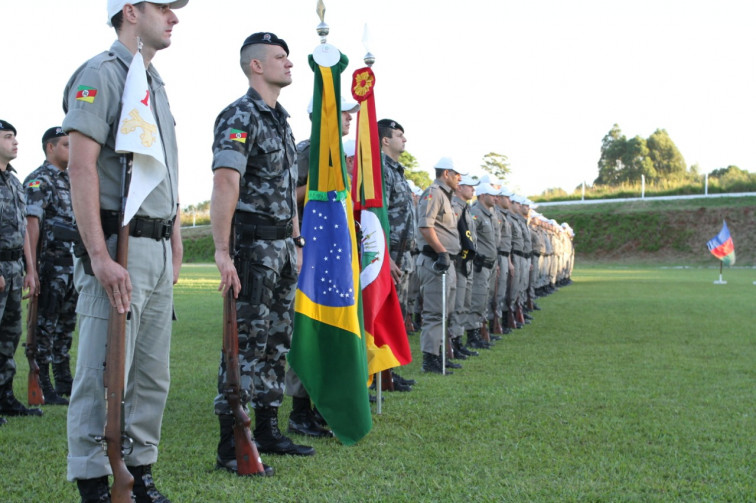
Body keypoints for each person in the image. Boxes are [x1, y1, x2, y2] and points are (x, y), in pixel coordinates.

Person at [62, 1, 187, 501]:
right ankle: (94, 478)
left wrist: (176, 237)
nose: (173, 17)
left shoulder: (153, 83)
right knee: (102, 369)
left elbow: (163, 174)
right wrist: (98, 255)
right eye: (163, 7)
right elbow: (81, 168)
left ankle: (140, 470)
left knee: (151, 372)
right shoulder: (101, 73)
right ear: (130, 11)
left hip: (155, 246)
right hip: (120, 244)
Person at [210, 31, 314, 475]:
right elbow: (225, 183)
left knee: (276, 341)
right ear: (256, 65)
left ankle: (268, 428)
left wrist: (295, 238)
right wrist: (220, 250)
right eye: (279, 57)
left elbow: (288, 190)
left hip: (282, 247)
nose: (288, 63)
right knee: (245, 344)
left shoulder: (281, 120)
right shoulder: (239, 115)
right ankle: (231, 442)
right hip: (252, 247)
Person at [286, 95, 359, 438]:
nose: (349, 119)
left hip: (332, 253)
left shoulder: (337, 156)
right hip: (310, 250)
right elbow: (289, 195)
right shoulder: (308, 150)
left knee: (329, 321)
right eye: (344, 113)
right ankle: (299, 411)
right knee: (308, 322)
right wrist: (320, 188)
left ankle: (317, 406)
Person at [23, 127, 77, 406]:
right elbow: (31, 226)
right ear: (50, 148)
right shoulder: (38, 181)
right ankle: (42, 382)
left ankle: (63, 379)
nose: (73, 149)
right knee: (44, 327)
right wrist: (31, 269)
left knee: (66, 327)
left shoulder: (73, 180)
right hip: (50, 265)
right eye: (67, 145)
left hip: (73, 266)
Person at [0, 119, 41, 426]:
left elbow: (25, 230)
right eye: (8, 137)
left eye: (15, 136)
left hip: (15, 268)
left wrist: (30, 269)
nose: (15, 142)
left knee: (10, 335)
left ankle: (4, 398)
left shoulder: (14, 182)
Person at [377, 118, 416, 388]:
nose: (405, 140)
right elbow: (378, 214)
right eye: (399, 135)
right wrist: (385, 257)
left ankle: (389, 369)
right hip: (389, 254)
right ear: (385, 140)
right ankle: (380, 371)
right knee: (383, 315)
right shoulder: (381, 169)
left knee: (397, 313)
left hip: (403, 254)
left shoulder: (397, 171)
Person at [416, 157, 464, 374]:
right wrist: (442, 251)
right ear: (446, 173)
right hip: (436, 261)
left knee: (445, 311)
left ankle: (440, 354)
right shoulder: (434, 193)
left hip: (447, 261)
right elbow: (426, 226)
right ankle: (431, 359)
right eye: (457, 174)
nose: (459, 178)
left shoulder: (447, 196)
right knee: (435, 312)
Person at [448, 175, 478, 360]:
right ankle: (452, 342)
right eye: (469, 186)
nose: (473, 190)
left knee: (465, 303)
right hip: (458, 262)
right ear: (459, 188)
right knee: (457, 304)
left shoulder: (465, 208)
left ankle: (458, 340)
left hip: (466, 262)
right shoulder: (455, 208)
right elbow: (454, 237)